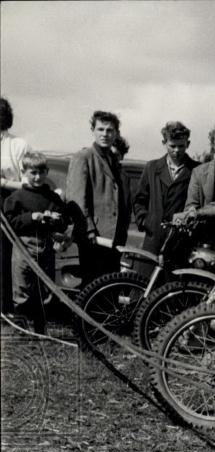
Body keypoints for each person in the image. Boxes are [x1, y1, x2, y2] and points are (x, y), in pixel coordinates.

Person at [3, 152, 69, 333]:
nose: (38, 177)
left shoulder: (53, 198)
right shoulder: (16, 197)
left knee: (45, 290)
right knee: (22, 289)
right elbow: (10, 223)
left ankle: (41, 331)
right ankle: (22, 332)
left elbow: (64, 222)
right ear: (24, 171)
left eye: (41, 172)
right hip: (23, 247)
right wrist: (31, 217)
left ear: (47, 172)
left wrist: (56, 220)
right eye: (33, 173)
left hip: (46, 247)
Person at [65, 110, 132, 283]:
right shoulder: (83, 157)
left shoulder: (113, 160)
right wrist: (89, 229)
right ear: (93, 130)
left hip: (114, 237)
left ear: (116, 133)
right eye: (100, 129)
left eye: (109, 130)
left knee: (108, 288)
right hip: (94, 237)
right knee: (92, 287)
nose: (105, 134)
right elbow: (76, 199)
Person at [132, 121, 199, 272]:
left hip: (181, 243)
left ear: (188, 144)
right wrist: (146, 221)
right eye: (172, 146)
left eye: (181, 146)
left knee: (174, 290)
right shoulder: (152, 167)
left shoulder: (197, 170)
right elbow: (139, 200)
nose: (176, 150)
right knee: (145, 288)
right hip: (153, 241)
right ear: (164, 143)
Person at [1, 96, 34, 314]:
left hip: (10, 203)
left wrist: (3, 182)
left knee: (6, 257)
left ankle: (7, 310)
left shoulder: (18, 145)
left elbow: (31, 178)